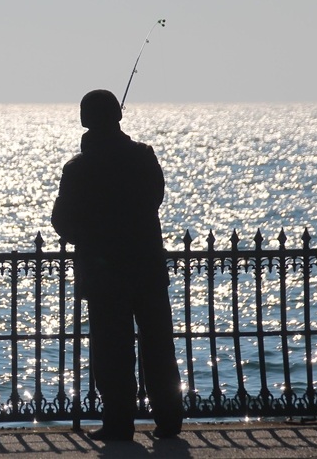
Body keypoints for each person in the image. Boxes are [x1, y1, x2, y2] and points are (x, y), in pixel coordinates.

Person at [51, 89, 184, 441]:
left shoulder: (78, 168)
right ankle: (169, 419)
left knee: (112, 350)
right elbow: (155, 198)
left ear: (85, 120)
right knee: (158, 344)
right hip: (147, 266)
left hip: (104, 273)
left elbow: (61, 220)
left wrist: (89, 235)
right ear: (118, 116)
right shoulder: (143, 156)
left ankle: (119, 423)